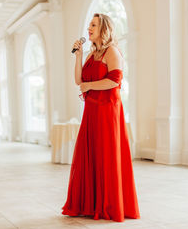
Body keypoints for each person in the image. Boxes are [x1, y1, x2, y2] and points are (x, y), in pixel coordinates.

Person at [61, 13, 140, 222]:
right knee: (90, 154)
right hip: (91, 112)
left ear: (104, 28)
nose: (89, 28)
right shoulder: (89, 54)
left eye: (93, 25)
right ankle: (90, 203)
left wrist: (90, 86)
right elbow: (79, 80)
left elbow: (114, 81)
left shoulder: (112, 51)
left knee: (106, 154)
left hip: (107, 111)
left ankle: (108, 204)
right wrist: (78, 56)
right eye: (89, 25)